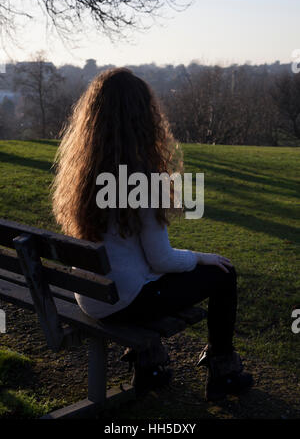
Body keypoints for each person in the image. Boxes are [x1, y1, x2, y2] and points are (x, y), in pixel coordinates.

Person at [51, 67, 253, 401]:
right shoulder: (142, 179)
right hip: (124, 302)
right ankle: (223, 371)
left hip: (92, 297)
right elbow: (161, 259)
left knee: (146, 277)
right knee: (224, 273)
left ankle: (150, 363)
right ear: (144, 117)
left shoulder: (83, 173)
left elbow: (138, 257)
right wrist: (202, 257)